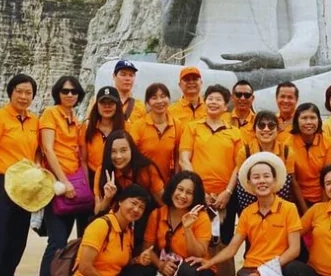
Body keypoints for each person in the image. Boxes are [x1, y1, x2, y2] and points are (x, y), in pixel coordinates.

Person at [188, 152, 302, 275]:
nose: (262, 181)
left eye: (266, 176)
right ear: (249, 183)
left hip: (278, 267)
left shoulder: (289, 208)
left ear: (274, 180)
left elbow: (294, 249)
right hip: (251, 267)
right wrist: (209, 262)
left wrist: (263, 272)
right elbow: (232, 248)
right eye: (256, 177)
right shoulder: (247, 213)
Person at [0, 73, 39, 275]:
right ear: (10, 93)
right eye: (19, 91)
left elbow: (38, 152)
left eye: (28, 93)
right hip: (0, 184)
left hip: (24, 188)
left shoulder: (34, 121)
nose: (23, 96)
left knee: (16, 244)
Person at [179, 84, 241, 274]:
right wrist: (200, 191)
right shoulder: (192, 127)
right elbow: (184, 159)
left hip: (225, 197)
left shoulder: (235, 132)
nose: (214, 102)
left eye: (218, 99)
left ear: (226, 105)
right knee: (199, 238)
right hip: (197, 195)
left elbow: (239, 165)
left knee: (224, 241)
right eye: (210, 99)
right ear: (205, 102)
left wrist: (228, 192)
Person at [39, 75, 91, 276]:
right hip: (58, 185)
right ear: (57, 93)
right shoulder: (51, 113)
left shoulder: (75, 121)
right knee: (57, 242)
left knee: (67, 243)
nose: (70, 95)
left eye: (74, 91)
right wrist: (64, 181)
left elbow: (79, 156)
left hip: (73, 186)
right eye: (65, 91)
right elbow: (48, 149)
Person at [129, 171, 215, 276]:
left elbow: (198, 255)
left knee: (187, 270)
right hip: (165, 265)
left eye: (189, 193)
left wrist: (187, 229)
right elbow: (147, 249)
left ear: (195, 196)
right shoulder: (157, 214)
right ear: (172, 189)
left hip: (192, 270)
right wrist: (160, 265)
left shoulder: (201, 217)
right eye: (180, 189)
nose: (183, 196)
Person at [94, 130, 165, 250]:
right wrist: (107, 198)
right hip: (116, 224)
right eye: (113, 151)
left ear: (132, 150)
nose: (118, 156)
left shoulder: (146, 169)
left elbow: (163, 202)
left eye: (123, 150)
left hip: (144, 222)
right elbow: (97, 213)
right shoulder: (102, 172)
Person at [74, 184, 155, 276]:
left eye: (141, 207)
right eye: (133, 203)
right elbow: (84, 267)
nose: (136, 209)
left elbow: (121, 263)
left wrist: (138, 260)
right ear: (120, 201)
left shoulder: (128, 231)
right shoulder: (101, 225)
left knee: (146, 271)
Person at [234, 110, 303, 214]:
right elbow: (243, 184)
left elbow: (289, 183)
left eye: (271, 126)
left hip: (279, 204)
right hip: (250, 203)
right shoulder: (245, 152)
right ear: (254, 129)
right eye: (261, 125)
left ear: (278, 130)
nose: (266, 129)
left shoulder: (287, 152)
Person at [130, 83, 185, 183]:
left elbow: (178, 155)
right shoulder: (138, 125)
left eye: (163, 96)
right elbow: (131, 153)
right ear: (148, 102)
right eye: (154, 98)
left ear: (169, 99)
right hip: (143, 182)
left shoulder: (177, 125)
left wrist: (176, 179)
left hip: (167, 183)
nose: (159, 101)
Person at [287, 102, 331, 213]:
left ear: (319, 120)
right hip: (299, 199)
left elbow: (328, 176)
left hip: (325, 195)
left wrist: (322, 207)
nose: (308, 122)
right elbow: (293, 181)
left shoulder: (327, 142)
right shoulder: (288, 145)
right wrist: (305, 210)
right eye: (304, 118)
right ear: (297, 121)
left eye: (312, 118)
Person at [81, 86, 126, 198]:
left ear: (117, 105)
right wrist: (87, 187)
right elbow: (83, 160)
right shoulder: (87, 127)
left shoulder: (127, 127)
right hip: (92, 176)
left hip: (118, 177)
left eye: (111, 103)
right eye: (103, 103)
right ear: (97, 105)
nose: (107, 106)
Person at [112, 60, 147, 125]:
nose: (128, 79)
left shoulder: (140, 106)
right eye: (123, 74)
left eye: (131, 75)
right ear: (114, 76)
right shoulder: (102, 103)